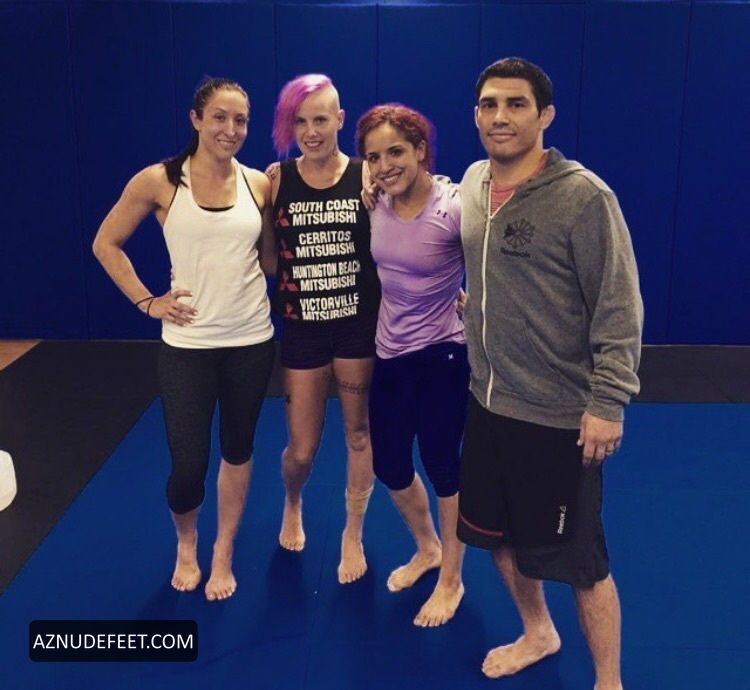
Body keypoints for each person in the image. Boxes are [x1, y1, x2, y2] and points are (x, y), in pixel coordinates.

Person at [457, 58, 643, 690]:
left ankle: (609, 680)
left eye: (516, 104)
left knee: (582, 563)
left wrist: (608, 403)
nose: (500, 116)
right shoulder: (474, 182)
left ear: (545, 116)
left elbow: (619, 309)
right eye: (489, 104)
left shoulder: (584, 197)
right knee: (497, 538)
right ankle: (538, 631)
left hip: (559, 417)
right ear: (476, 114)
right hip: (487, 404)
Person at [93, 77, 276, 601]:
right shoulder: (160, 181)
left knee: (238, 449)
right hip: (187, 347)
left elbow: (268, 262)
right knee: (188, 466)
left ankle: (223, 550)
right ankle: (188, 542)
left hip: (251, 340)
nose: (230, 129)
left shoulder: (258, 184)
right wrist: (147, 302)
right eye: (219, 117)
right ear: (196, 119)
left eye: (240, 120)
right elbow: (106, 243)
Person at [264, 74, 380, 584]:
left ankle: (353, 532)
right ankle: (293, 500)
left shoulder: (367, 175)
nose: (311, 131)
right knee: (302, 450)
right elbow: (268, 259)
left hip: (358, 327)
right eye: (300, 121)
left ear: (340, 119)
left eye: (320, 120)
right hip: (303, 331)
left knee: (359, 434)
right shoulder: (275, 181)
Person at [355, 104, 467, 627]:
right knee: (391, 466)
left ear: (421, 150)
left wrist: (476, 301)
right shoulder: (376, 199)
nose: (385, 165)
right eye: (374, 157)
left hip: (443, 354)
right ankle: (428, 547)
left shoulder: (454, 206)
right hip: (390, 353)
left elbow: (496, 262)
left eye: (396, 152)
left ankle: (452, 580)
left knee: (444, 467)